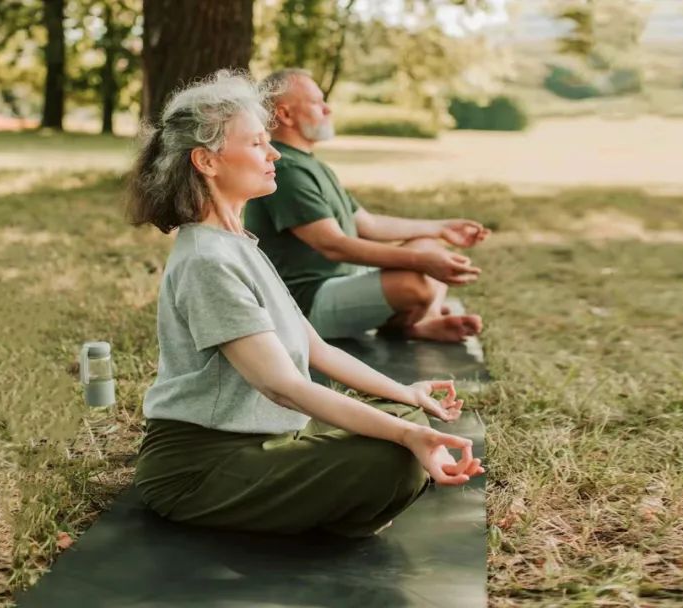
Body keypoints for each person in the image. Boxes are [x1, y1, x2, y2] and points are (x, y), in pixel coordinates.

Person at [127, 70, 484, 538]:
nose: (274, 152)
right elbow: (284, 386)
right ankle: (331, 504)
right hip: (199, 469)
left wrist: (407, 395)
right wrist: (405, 436)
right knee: (395, 455)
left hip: (272, 440)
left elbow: (319, 350)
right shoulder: (207, 261)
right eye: (257, 144)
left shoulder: (238, 244)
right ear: (207, 162)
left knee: (404, 418)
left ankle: (327, 499)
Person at [245, 68, 490, 343]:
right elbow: (333, 245)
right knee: (416, 282)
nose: (328, 109)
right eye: (317, 102)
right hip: (305, 304)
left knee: (431, 245)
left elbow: (369, 224)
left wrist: (441, 228)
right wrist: (422, 262)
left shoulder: (310, 164)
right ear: (285, 114)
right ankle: (416, 320)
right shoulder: (286, 169)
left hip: (343, 282)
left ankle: (420, 322)